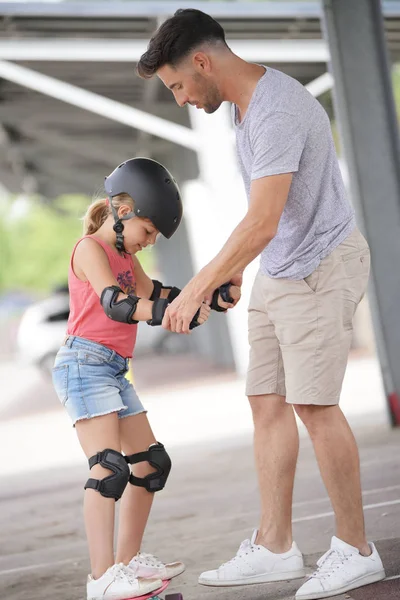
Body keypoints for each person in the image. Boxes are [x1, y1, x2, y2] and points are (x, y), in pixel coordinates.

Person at [136, 9, 386, 600]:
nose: (180, 100)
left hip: (321, 266)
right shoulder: (243, 116)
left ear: (202, 61)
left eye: (176, 86)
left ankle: (357, 550)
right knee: (266, 400)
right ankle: (275, 546)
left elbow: (265, 220)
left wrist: (199, 284)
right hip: (281, 271)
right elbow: (265, 221)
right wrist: (238, 273)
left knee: (314, 406)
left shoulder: (276, 109)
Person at [52, 157, 238, 600]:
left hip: (113, 368)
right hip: (83, 364)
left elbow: (157, 293)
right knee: (108, 469)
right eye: (149, 232)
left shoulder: (124, 253)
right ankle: (101, 579)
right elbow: (117, 303)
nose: (150, 242)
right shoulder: (90, 250)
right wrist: (166, 314)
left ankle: (126, 563)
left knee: (151, 464)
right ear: (124, 211)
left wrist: (207, 295)